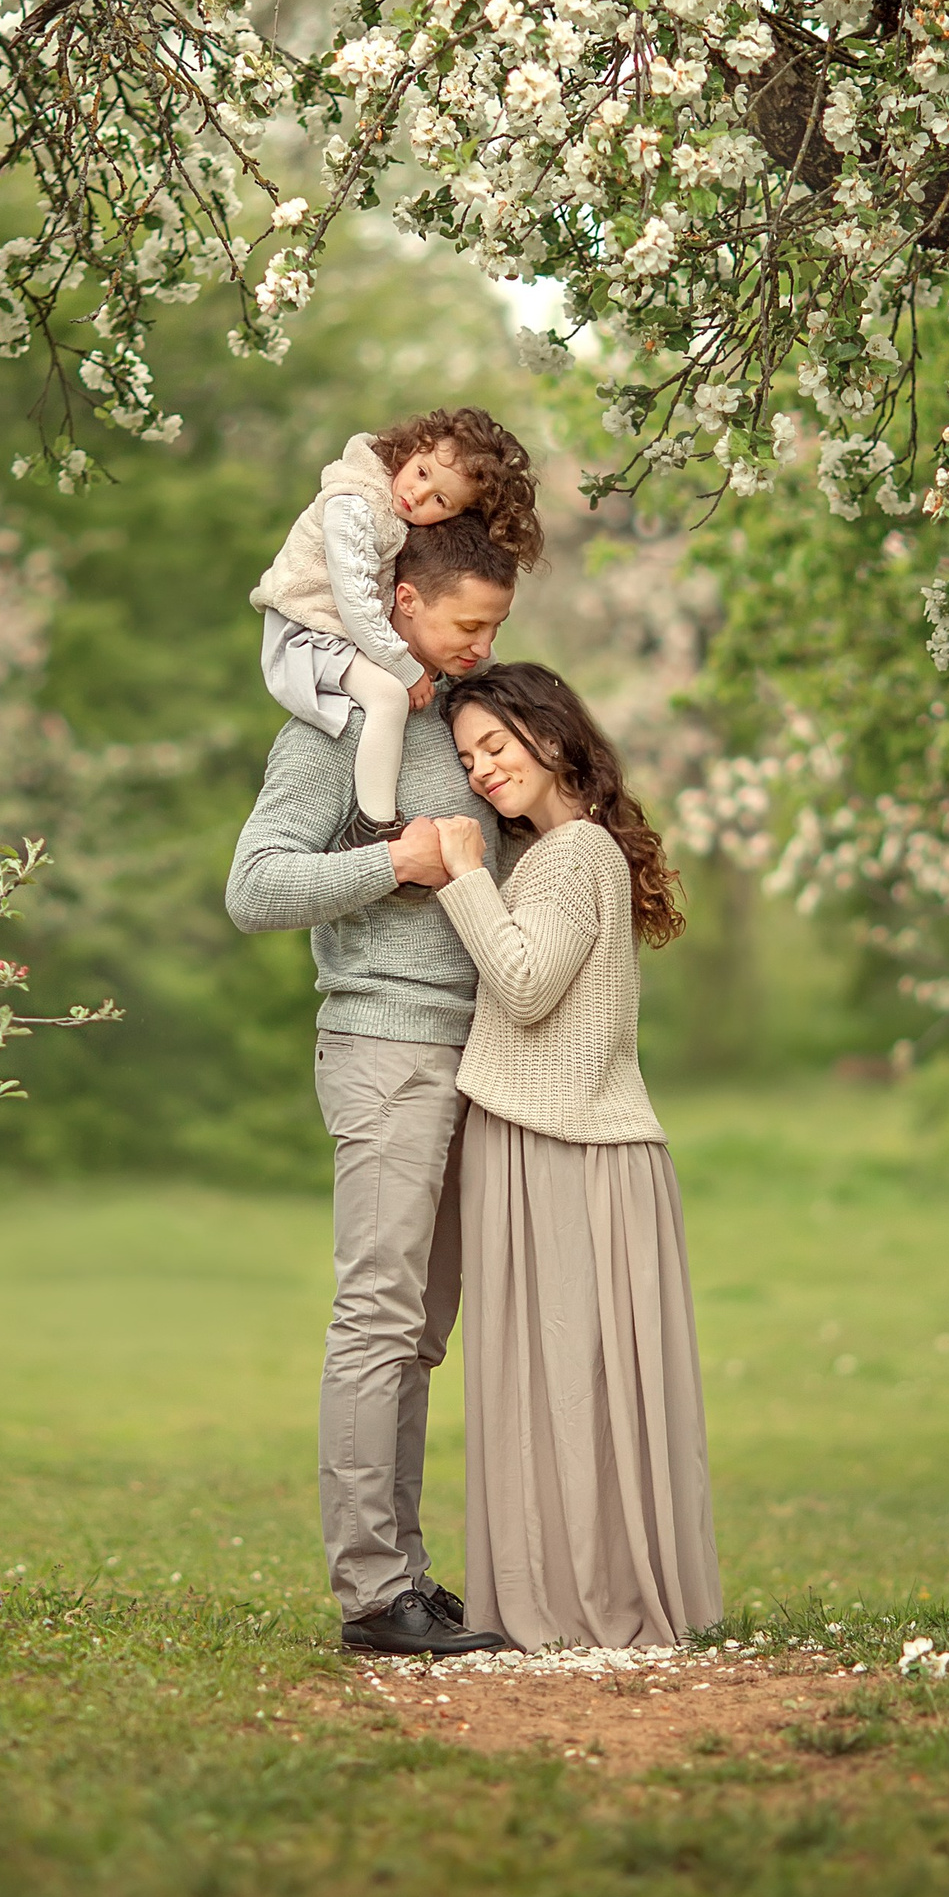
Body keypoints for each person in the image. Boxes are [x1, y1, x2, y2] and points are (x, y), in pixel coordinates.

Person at [226, 513, 521, 1657]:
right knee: (378, 1316)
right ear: (399, 602)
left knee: (421, 1333)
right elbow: (254, 887)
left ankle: (403, 1576)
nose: (481, 645)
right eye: (465, 623)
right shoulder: (335, 726)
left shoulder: (465, 722)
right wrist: (392, 861)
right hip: (383, 1049)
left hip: (479, 1056)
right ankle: (370, 1592)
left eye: (496, 626)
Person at [433, 662, 722, 1652]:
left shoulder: (567, 853)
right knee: (568, 1388)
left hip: (565, 1145)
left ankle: (570, 1603)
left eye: (494, 746)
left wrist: (462, 870)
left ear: (550, 736)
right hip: (563, 1139)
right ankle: (566, 1594)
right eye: (466, 757)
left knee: (562, 1386)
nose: (478, 771)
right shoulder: (570, 854)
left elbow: (520, 983)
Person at [248, 408, 542, 851]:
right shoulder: (352, 504)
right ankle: (376, 823)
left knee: (458, 674)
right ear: (414, 448)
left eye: (441, 501)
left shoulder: (397, 511)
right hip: (306, 632)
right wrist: (405, 670)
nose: (419, 495)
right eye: (421, 473)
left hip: (347, 630)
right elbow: (355, 603)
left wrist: (515, 695)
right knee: (387, 697)